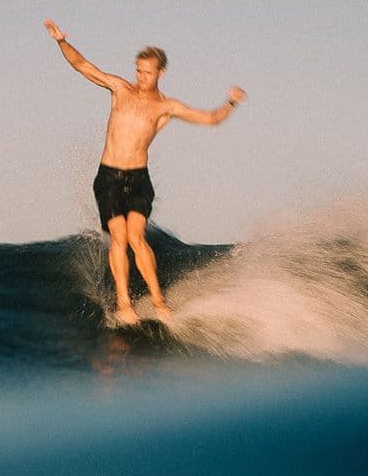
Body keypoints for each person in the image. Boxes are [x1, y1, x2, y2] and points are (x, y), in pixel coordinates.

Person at [45, 19, 246, 326]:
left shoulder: (166, 107)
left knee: (138, 237)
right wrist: (61, 42)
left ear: (160, 73)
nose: (140, 77)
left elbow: (210, 119)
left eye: (147, 72)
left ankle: (159, 300)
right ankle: (125, 304)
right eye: (138, 70)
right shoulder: (120, 89)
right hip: (109, 177)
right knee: (120, 238)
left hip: (139, 179)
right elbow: (82, 65)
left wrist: (231, 102)